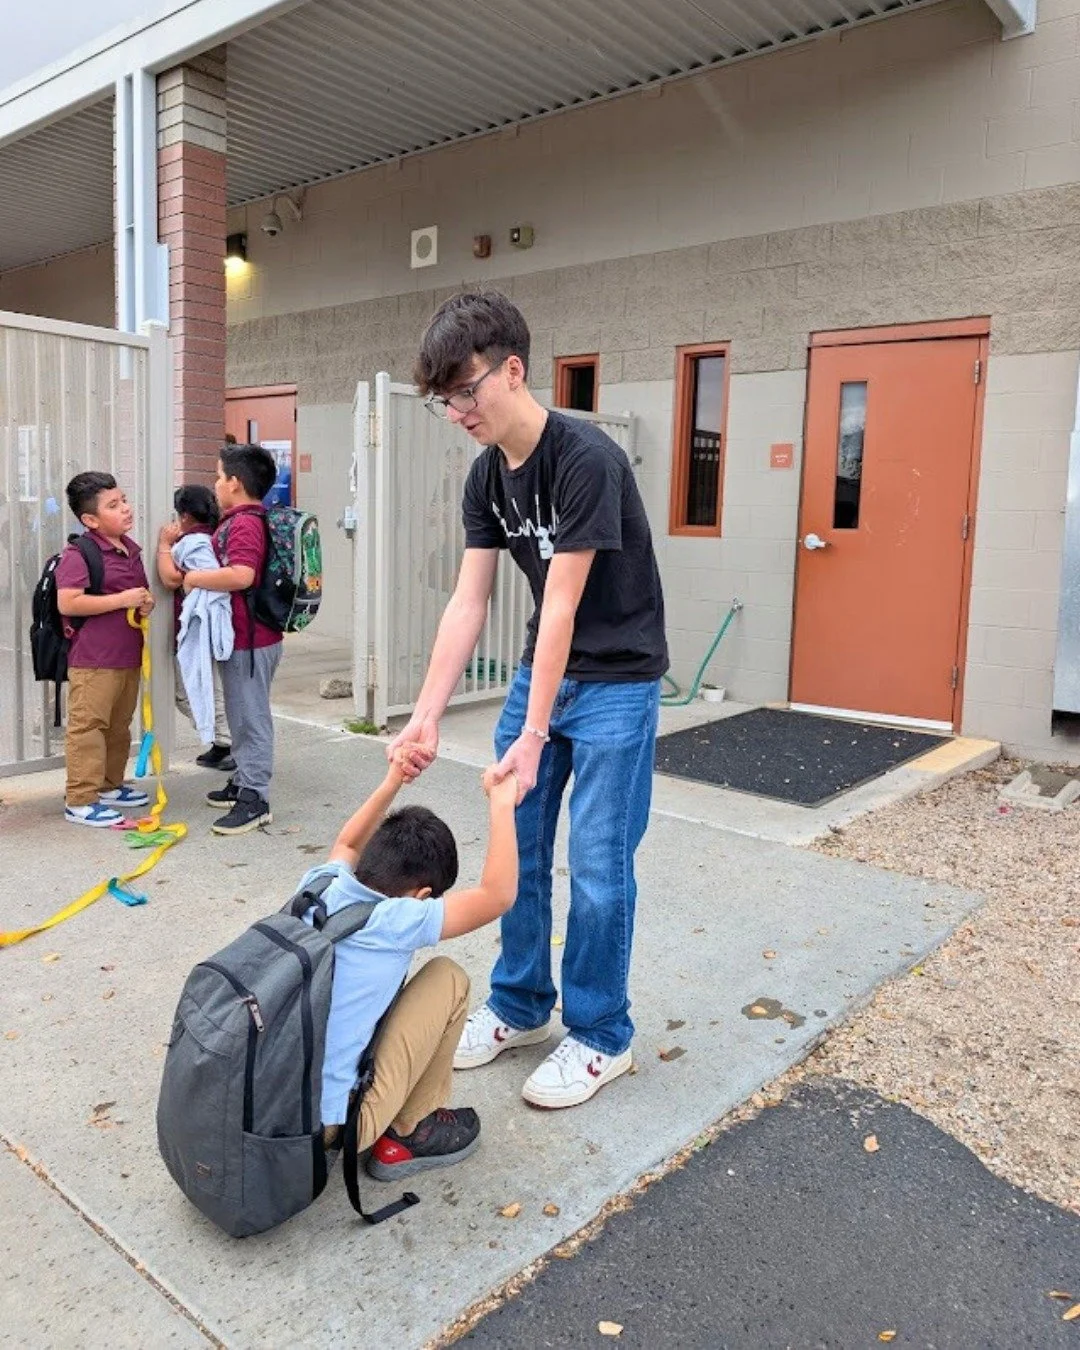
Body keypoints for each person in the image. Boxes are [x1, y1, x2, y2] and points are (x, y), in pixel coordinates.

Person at [389, 291, 668, 1110]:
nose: (457, 412)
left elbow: (564, 606)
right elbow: (469, 602)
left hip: (616, 680)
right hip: (542, 676)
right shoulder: (487, 479)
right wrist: (427, 712)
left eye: (466, 391)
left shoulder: (587, 458)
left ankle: (600, 1034)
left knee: (599, 865)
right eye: (445, 399)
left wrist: (536, 729)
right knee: (519, 848)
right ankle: (519, 1005)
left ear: (514, 369)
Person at [303, 746, 519, 1181]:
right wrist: (501, 803)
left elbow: (347, 842)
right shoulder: (397, 919)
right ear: (421, 896)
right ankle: (409, 1131)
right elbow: (498, 896)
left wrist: (393, 779)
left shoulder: (319, 885)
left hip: (266, 1104)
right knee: (448, 979)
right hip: (323, 1131)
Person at [181, 443, 280, 836]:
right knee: (241, 714)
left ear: (236, 483)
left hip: (251, 641)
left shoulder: (245, 524)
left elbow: (241, 575)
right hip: (246, 638)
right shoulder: (244, 518)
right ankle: (242, 780)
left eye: (220, 477)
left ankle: (255, 798)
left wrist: (193, 578)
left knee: (250, 717)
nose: (216, 484)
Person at [56, 471, 155, 827]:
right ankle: (80, 800)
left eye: (124, 499)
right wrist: (122, 600)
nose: (126, 508)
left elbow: (137, 594)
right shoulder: (79, 553)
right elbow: (68, 602)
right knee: (88, 726)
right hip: (94, 660)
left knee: (118, 725)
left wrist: (144, 603)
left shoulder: (129, 549)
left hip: (126, 656)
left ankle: (110, 785)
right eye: (114, 505)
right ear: (90, 520)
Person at [155, 485, 234, 771]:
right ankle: (222, 742)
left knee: (198, 687)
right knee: (201, 686)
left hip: (202, 626)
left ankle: (228, 742)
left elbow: (171, 579)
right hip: (207, 625)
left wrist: (164, 545)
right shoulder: (211, 536)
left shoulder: (195, 541)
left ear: (185, 515)